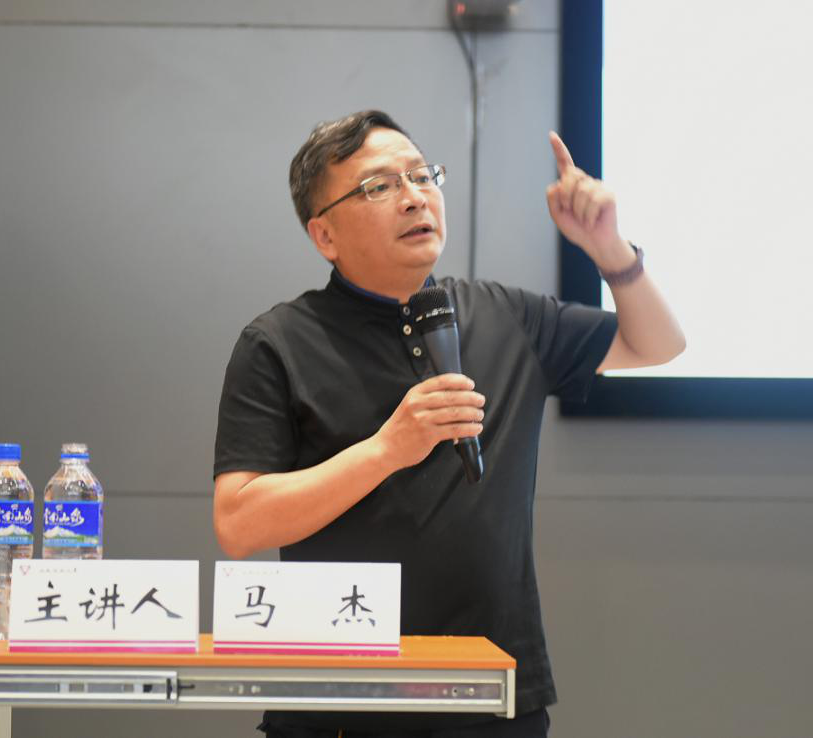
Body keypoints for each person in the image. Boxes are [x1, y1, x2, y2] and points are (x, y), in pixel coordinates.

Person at [213, 110, 685, 738]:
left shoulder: (507, 316)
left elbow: (657, 344)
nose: (414, 197)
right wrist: (387, 449)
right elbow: (239, 523)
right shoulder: (279, 342)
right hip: (339, 702)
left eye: (421, 176)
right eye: (380, 186)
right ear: (324, 235)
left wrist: (610, 251)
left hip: (490, 694)